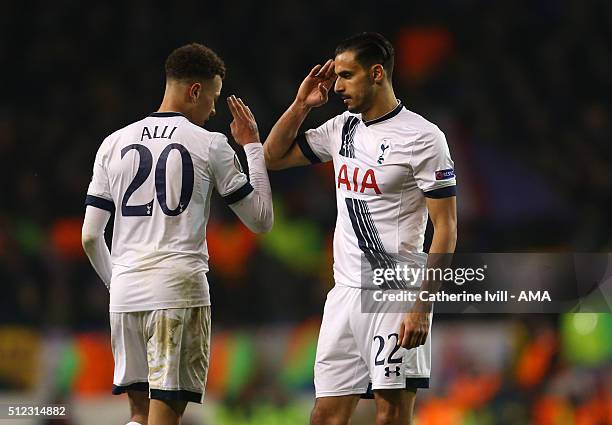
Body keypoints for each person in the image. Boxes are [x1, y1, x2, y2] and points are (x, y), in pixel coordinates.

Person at [264, 32, 457, 424]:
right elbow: (271, 157)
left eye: (346, 76)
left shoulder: (423, 138)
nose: (336, 87)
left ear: (377, 74)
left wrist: (422, 306)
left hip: (396, 295)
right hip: (344, 295)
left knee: (390, 414)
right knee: (325, 415)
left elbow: (446, 227)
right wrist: (302, 104)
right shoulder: (341, 129)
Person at [81, 43, 273, 425]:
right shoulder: (210, 144)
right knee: (166, 416)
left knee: (138, 414)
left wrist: (116, 281)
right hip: (178, 291)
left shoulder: (113, 143)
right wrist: (252, 145)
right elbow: (261, 219)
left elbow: (90, 236)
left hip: (125, 294)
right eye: (214, 98)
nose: (214, 110)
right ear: (195, 91)